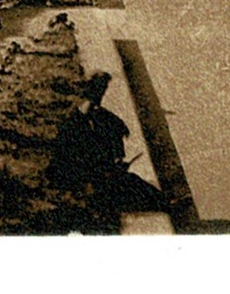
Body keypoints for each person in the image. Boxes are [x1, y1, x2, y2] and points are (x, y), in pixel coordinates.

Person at [49, 72, 165, 215]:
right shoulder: (78, 122)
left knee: (128, 181)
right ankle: (163, 202)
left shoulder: (93, 115)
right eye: (100, 89)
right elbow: (84, 158)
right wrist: (110, 169)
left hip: (92, 172)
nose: (101, 94)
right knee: (129, 183)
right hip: (83, 178)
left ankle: (161, 201)